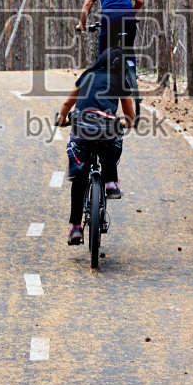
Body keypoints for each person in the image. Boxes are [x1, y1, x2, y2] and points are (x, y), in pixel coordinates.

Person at [57, 46, 136, 245]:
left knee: (79, 177)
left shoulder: (88, 75)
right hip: (107, 131)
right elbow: (130, 117)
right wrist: (125, 123)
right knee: (113, 141)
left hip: (82, 130)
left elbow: (67, 104)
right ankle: (110, 183)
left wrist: (63, 119)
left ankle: (76, 227)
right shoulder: (120, 81)